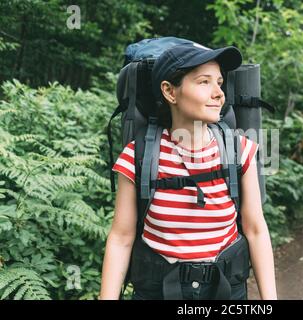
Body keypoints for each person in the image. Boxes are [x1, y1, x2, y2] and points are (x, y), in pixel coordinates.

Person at [99, 42, 277, 300]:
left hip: (225, 291)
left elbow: (256, 230)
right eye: (204, 82)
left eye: (219, 82)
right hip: (157, 291)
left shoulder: (240, 151)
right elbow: (121, 237)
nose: (219, 93)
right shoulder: (138, 156)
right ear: (170, 92)